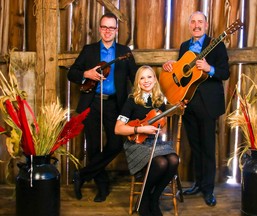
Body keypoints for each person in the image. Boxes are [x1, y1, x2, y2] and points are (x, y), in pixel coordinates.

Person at [67, 12, 138, 202]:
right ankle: (102, 185)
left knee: (116, 144)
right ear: (100, 28)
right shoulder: (89, 50)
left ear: (116, 30)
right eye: (104, 27)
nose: (108, 31)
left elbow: (136, 78)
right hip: (92, 102)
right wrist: (86, 74)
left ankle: (81, 175)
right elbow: (72, 73)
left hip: (115, 104)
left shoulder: (125, 52)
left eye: (111, 28)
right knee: (93, 146)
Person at [162, 11, 230, 207]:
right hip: (188, 104)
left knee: (208, 149)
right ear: (189, 25)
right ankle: (199, 184)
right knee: (196, 148)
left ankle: (208, 190)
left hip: (208, 105)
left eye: (200, 22)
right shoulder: (185, 46)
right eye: (193, 22)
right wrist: (170, 66)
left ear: (206, 25)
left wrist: (210, 69)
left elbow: (225, 72)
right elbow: (182, 72)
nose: (197, 25)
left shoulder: (216, 45)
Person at [114, 65, 180, 216]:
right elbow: (118, 129)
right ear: (138, 82)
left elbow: (162, 131)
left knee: (174, 160)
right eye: (142, 78)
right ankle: (144, 199)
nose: (146, 81)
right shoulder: (132, 101)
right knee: (161, 162)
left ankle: (153, 198)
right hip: (137, 144)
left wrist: (160, 125)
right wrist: (140, 129)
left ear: (155, 79)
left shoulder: (159, 101)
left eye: (149, 77)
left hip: (155, 143)